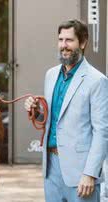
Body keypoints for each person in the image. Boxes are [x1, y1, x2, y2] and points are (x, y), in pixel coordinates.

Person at [24, 19, 108, 202]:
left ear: (83, 42)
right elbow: (52, 119)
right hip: (51, 168)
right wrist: (36, 110)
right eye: (61, 40)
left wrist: (91, 173)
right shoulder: (51, 75)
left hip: (81, 173)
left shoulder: (97, 81)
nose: (64, 45)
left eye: (69, 40)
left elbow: (102, 132)